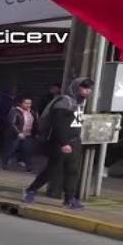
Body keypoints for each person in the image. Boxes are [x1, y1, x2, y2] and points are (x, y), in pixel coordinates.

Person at [23, 78, 93, 210]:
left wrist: (76, 140)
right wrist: (64, 143)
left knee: (72, 171)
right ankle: (30, 190)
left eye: (89, 88)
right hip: (60, 142)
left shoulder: (80, 102)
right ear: (76, 87)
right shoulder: (64, 102)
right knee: (52, 170)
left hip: (74, 141)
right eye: (84, 87)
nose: (87, 90)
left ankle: (69, 199)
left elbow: (76, 123)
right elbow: (58, 125)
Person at [4, 96, 37, 172]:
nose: (28, 105)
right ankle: (5, 163)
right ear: (21, 103)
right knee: (11, 149)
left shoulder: (32, 112)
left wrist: (36, 133)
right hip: (16, 134)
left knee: (28, 151)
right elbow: (12, 123)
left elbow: (35, 123)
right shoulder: (15, 111)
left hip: (28, 134)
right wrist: (18, 133)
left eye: (30, 103)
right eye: (26, 103)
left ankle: (29, 168)